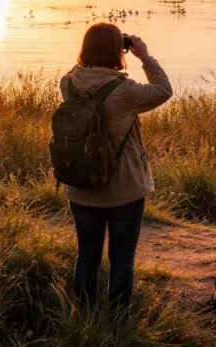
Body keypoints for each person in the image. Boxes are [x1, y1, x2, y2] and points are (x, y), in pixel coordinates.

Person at [62, 23, 173, 314]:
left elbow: (80, 71)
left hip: (81, 186)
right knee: (122, 258)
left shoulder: (69, 83)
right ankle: (119, 322)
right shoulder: (124, 91)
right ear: (117, 51)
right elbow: (164, 90)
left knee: (87, 256)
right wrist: (144, 56)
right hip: (124, 190)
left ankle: (84, 318)